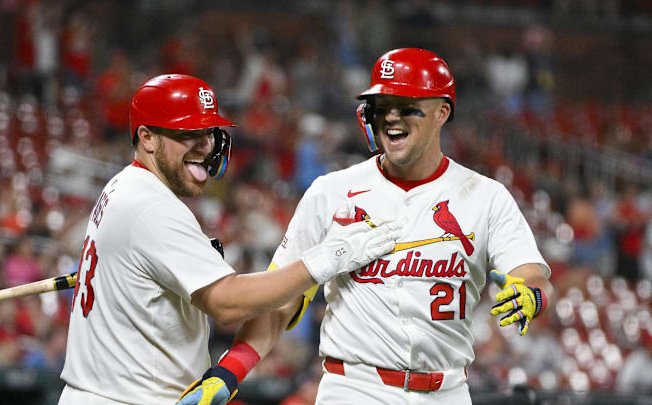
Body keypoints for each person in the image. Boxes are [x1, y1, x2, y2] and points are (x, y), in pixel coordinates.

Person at [179, 48, 556, 405]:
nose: (391, 116)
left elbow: (532, 274)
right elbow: (282, 301)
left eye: (406, 106)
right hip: (356, 387)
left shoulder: (485, 196)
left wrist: (531, 295)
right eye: (382, 106)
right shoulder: (331, 192)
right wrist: (229, 372)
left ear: (442, 112)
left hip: (449, 389)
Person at [57, 74, 401, 404]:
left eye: (208, 133)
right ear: (147, 138)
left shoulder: (123, 187)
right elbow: (228, 304)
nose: (206, 146)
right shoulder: (151, 206)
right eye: (188, 133)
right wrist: (327, 258)